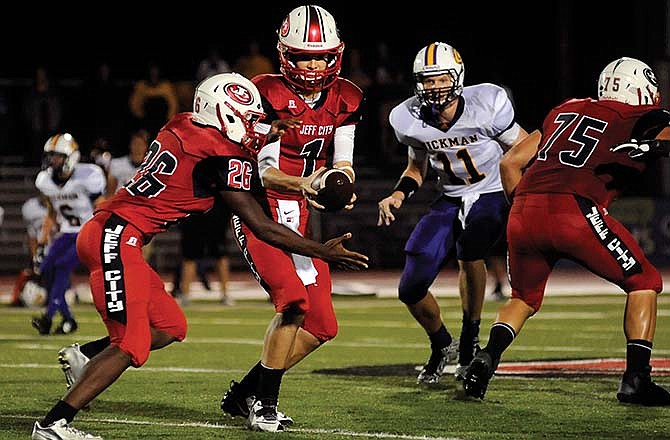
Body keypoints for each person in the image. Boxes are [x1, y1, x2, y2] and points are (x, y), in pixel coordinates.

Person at [32, 72, 368, 440]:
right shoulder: (219, 156)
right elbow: (263, 226)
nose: (253, 127)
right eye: (248, 118)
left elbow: (216, 147)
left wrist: (270, 130)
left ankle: (85, 357)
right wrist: (322, 251)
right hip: (115, 236)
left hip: (114, 231)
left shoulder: (182, 124)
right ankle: (53, 424)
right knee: (130, 343)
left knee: (170, 326)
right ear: (223, 115)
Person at [459, 57, 670, 406]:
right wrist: (653, 146)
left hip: (525, 207)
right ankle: (636, 380)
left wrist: (526, 209)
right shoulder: (637, 116)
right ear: (640, 88)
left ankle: (487, 357)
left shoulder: (566, 111)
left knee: (523, 298)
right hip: (574, 207)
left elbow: (510, 162)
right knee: (644, 282)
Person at [220, 5, 362, 432]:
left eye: (320, 56)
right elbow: (263, 170)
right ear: (286, 55)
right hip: (260, 214)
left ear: (335, 55)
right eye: (304, 56)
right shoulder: (264, 93)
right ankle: (264, 405)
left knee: (323, 326)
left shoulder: (346, 97)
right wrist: (306, 184)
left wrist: (341, 183)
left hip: (298, 218)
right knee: (294, 303)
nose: (314, 64)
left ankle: (243, 394)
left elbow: (344, 161)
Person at [377, 42, 529, 385]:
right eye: (426, 81)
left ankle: (470, 338)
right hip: (449, 197)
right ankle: (441, 343)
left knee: (472, 246)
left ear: (457, 78)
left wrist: (521, 189)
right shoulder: (409, 120)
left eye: (440, 79)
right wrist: (400, 193)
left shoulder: (486, 105)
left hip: (490, 191)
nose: (433, 87)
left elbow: (522, 146)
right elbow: (416, 167)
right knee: (410, 285)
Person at [31, 133, 107, 335]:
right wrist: (41, 244)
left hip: (87, 232)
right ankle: (68, 319)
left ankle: (47, 318)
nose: (52, 160)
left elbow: (102, 208)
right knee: (45, 269)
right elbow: (51, 214)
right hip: (66, 233)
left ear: (70, 157)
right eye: (51, 156)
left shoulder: (88, 176)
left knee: (62, 266)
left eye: (57, 156)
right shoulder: (45, 181)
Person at [175, 199, 234, 306]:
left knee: (219, 255)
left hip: (205, 208)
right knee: (191, 256)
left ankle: (225, 294)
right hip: (199, 209)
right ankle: (186, 295)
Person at [9, 195, 52, 307]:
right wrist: (35, 257)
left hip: (56, 250)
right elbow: (32, 236)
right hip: (41, 250)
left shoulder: (61, 205)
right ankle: (17, 298)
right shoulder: (31, 207)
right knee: (28, 273)